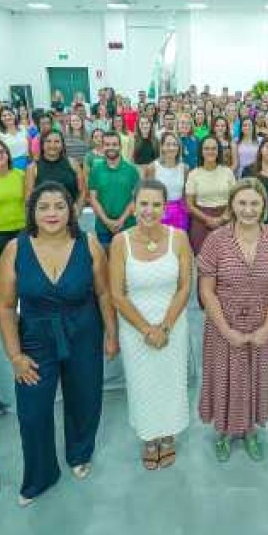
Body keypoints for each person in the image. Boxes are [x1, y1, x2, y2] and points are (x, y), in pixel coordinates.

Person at [0, 182, 117, 505]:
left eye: (59, 206)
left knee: (85, 398)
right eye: (44, 207)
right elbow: (5, 307)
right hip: (35, 339)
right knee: (32, 412)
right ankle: (40, 476)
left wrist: (111, 334)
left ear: (71, 210)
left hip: (84, 332)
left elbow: (104, 293)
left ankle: (79, 453)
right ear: (32, 212)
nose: (52, 213)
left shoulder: (89, 244)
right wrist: (15, 355)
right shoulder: (15, 249)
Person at [198, 179, 268, 462]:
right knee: (225, 377)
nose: (248, 209)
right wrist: (226, 329)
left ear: (264, 206)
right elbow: (206, 290)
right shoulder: (216, 240)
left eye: (254, 203)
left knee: (255, 376)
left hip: (262, 321)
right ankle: (225, 432)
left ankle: (249, 431)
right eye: (242, 203)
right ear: (232, 205)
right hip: (222, 321)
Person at [109, 180, 193, 470]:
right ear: (133, 206)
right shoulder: (120, 242)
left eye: (156, 204)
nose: (149, 210)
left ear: (165, 208)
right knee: (142, 383)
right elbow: (117, 294)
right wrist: (147, 329)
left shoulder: (179, 238)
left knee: (171, 381)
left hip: (173, 325)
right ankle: (148, 437)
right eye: (143, 203)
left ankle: (168, 434)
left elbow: (185, 287)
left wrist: (165, 327)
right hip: (135, 328)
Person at [87, 131, 141, 248]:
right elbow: (93, 198)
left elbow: (136, 199)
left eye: (114, 144)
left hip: (127, 226)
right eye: (107, 144)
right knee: (104, 258)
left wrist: (121, 220)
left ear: (120, 147)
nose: (111, 147)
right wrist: (107, 221)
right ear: (102, 147)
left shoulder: (132, 170)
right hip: (102, 227)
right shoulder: (96, 169)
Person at [185, 136, 236, 254]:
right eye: (206, 148)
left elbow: (235, 199)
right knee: (203, 256)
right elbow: (189, 204)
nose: (210, 152)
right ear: (201, 151)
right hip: (201, 219)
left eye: (214, 148)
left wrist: (222, 218)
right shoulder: (194, 174)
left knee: (226, 256)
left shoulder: (227, 172)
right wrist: (208, 219)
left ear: (218, 151)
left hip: (226, 217)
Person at [26, 130, 86, 218]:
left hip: (69, 217)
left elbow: (82, 191)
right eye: (48, 141)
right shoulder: (33, 168)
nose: (52, 145)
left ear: (62, 144)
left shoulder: (73, 163)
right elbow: (29, 198)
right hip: (44, 218)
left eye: (57, 141)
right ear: (42, 144)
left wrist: (78, 210)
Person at [148, 132, 189, 232]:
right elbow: (148, 193)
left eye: (175, 144)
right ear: (162, 147)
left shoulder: (185, 168)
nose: (172, 148)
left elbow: (185, 194)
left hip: (180, 214)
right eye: (168, 144)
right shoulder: (152, 167)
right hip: (159, 212)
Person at [0, 106, 31, 170]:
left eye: (9, 114)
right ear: (0, 119)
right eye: (4, 116)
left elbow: (30, 146)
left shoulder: (23, 128)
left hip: (27, 162)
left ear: (14, 116)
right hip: (10, 165)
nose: (7, 117)